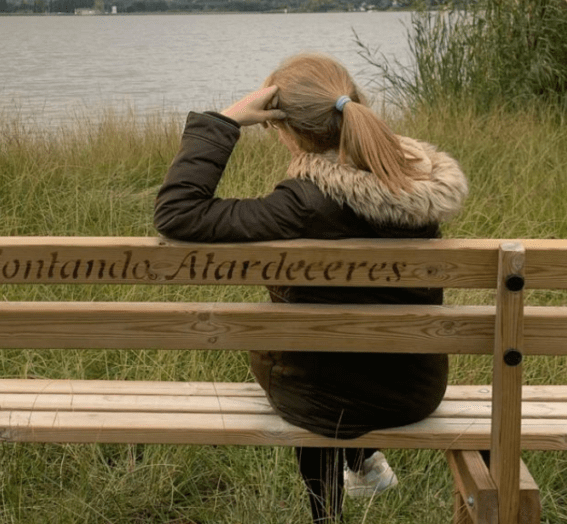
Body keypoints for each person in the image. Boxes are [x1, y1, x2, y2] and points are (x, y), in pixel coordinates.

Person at [154, 53, 468, 522]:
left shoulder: (300, 204)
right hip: (414, 390)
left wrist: (225, 121)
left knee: (307, 361)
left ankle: (327, 515)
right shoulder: (415, 188)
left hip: (318, 400)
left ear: (286, 129)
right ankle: (363, 463)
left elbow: (177, 215)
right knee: (338, 347)